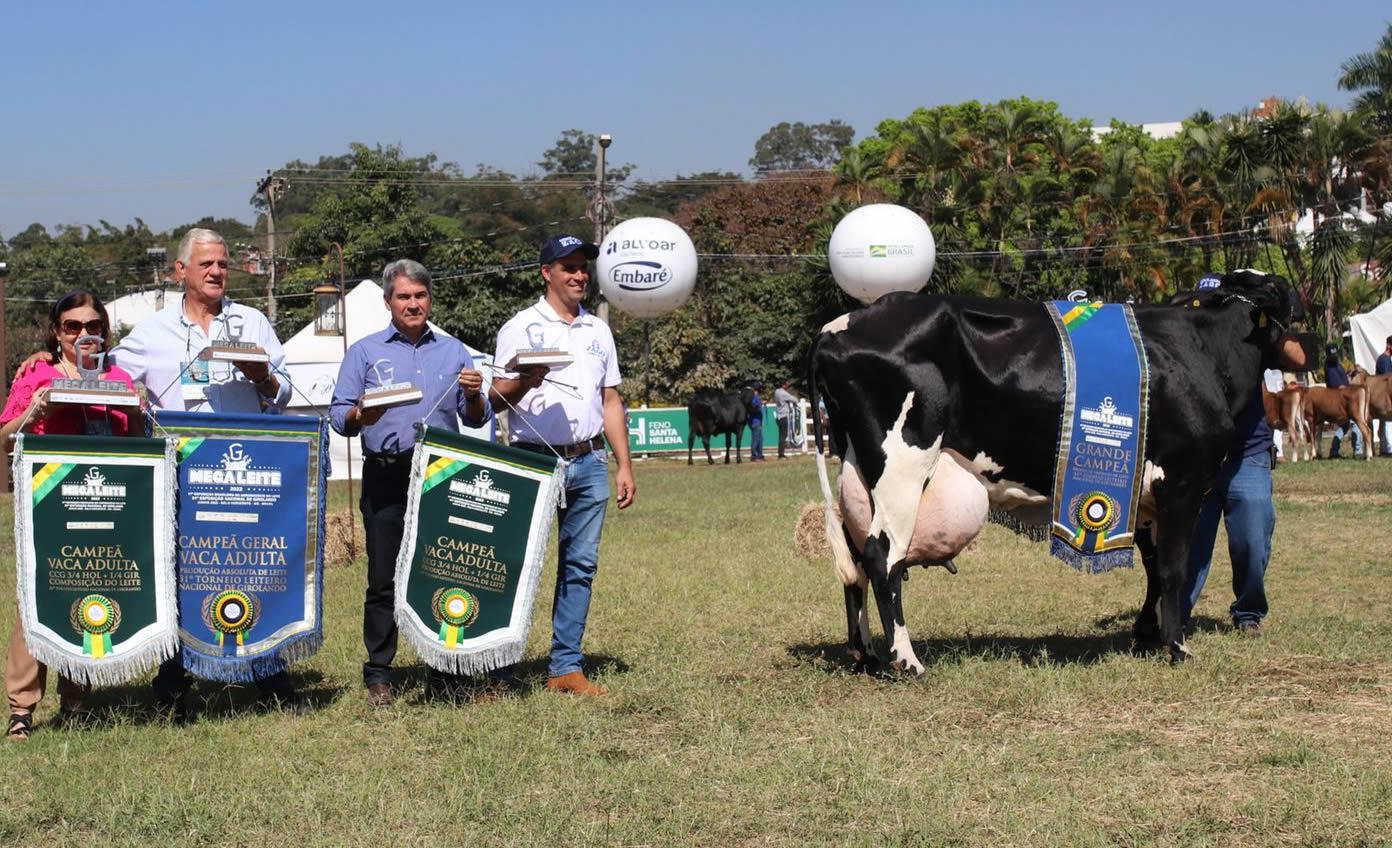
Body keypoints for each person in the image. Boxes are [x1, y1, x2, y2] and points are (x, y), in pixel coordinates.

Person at [16, 229, 300, 719]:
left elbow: (287, 392)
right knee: (179, 574)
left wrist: (263, 378)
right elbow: (102, 372)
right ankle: (172, 684)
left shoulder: (251, 321)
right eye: (206, 264)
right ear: (180, 271)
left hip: (243, 473)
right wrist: (49, 357)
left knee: (252, 569)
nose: (216, 272)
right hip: (182, 473)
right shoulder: (151, 333)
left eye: (223, 264)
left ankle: (267, 672)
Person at [329, 259, 491, 708]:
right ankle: (379, 673)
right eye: (404, 296)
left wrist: (475, 394)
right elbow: (338, 416)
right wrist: (363, 415)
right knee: (384, 576)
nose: (413, 304)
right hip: (385, 471)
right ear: (388, 302)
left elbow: (475, 418)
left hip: (441, 474)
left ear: (430, 299)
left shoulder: (455, 350)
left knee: (442, 571)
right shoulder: (364, 352)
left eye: (420, 296)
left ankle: (444, 669)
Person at [490, 234, 635, 696]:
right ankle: (500, 668)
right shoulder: (519, 327)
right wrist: (524, 381)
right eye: (567, 267)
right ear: (545, 273)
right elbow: (493, 397)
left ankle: (565, 668)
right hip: (532, 461)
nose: (578, 275)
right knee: (517, 565)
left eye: (582, 267)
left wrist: (623, 466)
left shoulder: (599, 331)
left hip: (589, 460)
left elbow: (610, 400)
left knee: (580, 566)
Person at [2, 291, 142, 740]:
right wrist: (34, 409)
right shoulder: (35, 374)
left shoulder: (119, 377)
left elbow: (136, 444)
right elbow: (6, 438)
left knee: (88, 589)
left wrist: (136, 410)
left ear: (105, 330)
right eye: (72, 327)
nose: (84, 334)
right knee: (36, 600)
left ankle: (77, 699)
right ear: (56, 331)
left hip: (104, 501)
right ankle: (21, 707)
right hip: (47, 502)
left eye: (93, 326)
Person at [1181, 272, 1308, 636]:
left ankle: (1248, 613)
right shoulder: (1183, 341)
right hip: (1199, 459)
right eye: (1200, 304)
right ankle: (1176, 616)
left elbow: (1298, 357)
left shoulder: (1249, 334)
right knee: (1187, 546)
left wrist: (1278, 313)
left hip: (1248, 456)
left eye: (1214, 303)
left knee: (1252, 542)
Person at [1323, 344, 1364, 459]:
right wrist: (1353, 391)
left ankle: (1334, 451)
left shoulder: (1336, 363)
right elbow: (1339, 387)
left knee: (1345, 426)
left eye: (1335, 354)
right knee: (1355, 423)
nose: (1334, 357)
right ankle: (1358, 451)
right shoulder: (1329, 367)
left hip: (1345, 398)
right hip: (1340, 400)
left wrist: (1351, 372)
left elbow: (1343, 380)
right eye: (1332, 355)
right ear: (1327, 355)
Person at [774, 380, 798, 459]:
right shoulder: (783, 393)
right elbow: (795, 400)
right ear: (783, 385)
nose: (788, 386)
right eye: (787, 384)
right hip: (783, 416)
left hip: (778, 416)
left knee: (781, 436)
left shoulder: (776, 392)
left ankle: (781, 453)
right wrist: (793, 396)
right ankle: (781, 454)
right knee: (783, 437)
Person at [1377, 336, 1392, 456]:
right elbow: (1387, 378)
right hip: (1383, 396)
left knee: (1384, 422)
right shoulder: (1384, 360)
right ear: (1388, 345)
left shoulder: (1387, 359)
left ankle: (1384, 448)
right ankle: (1389, 449)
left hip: (1384, 395)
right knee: (1388, 421)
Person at [748, 382, 765, 462]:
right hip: (755, 421)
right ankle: (754, 456)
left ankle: (760, 455)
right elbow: (754, 407)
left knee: (760, 439)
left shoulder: (756, 397)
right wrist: (760, 404)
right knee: (756, 439)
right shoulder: (754, 397)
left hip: (757, 421)